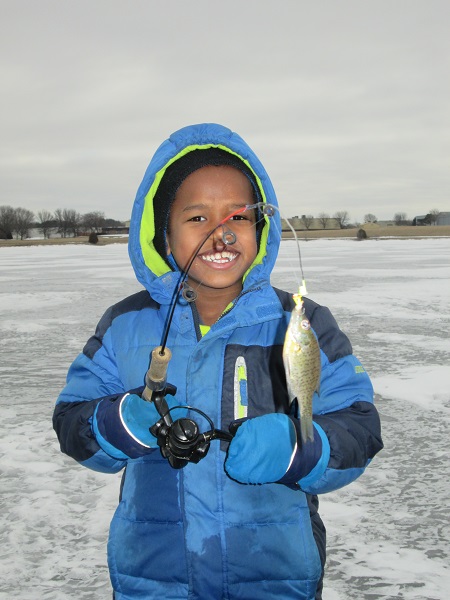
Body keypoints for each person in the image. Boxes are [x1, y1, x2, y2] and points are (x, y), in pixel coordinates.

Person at [53, 122, 383, 600]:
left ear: (261, 228)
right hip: (154, 581)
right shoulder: (125, 325)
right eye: (197, 218)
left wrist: (298, 447)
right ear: (163, 236)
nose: (221, 234)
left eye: (238, 217)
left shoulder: (301, 323)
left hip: (275, 579)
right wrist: (118, 421)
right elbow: (70, 421)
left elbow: (361, 425)